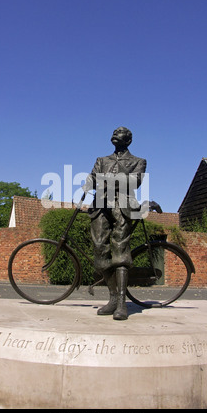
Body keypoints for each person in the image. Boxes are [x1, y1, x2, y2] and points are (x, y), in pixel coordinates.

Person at [83, 127, 147, 320]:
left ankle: (121, 304)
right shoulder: (101, 160)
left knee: (120, 250)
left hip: (124, 206)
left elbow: (134, 182)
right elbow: (90, 180)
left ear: (128, 140)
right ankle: (112, 299)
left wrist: (103, 180)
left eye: (120, 132)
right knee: (99, 251)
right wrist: (92, 183)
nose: (115, 133)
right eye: (114, 131)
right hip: (101, 206)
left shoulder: (139, 161)